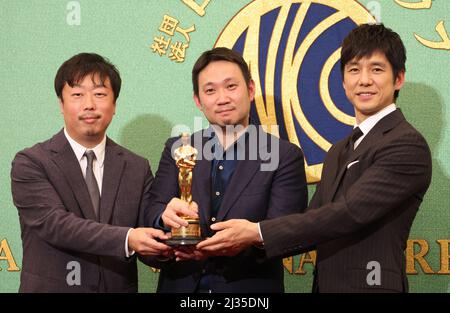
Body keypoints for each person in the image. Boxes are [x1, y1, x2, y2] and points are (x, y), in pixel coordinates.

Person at [197, 24, 433, 293]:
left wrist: (257, 232)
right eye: (354, 70)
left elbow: (349, 213)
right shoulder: (338, 150)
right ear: (343, 80)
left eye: (376, 69)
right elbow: (313, 219)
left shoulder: (405, 144)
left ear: (399, 78)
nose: (364, 80)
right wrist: (248, 239)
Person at [147, 47, 308, 293]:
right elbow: (151, 212)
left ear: (250, 90)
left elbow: (285, 235)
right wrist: (164, 218)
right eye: (210, 90)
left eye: (231, 86)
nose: (222, 98)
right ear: (198, 101)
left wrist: (243, 241)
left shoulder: (284, 156)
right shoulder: (179, 148)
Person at [10, 53, 172, 292]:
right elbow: (56, 225)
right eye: (77, 95)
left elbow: (146, 240)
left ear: (114, 104)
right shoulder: (31, 162)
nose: (89, 104)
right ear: (61, 104)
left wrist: (171, 241)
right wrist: (128, 239)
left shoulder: (136, 167)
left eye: (99, 94)